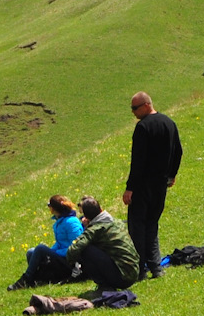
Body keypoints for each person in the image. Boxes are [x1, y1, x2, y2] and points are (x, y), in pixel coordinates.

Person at [122, 91, 181, 280]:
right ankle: (156, 267)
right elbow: (178, 151)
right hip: (160, 185)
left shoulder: (143, 127)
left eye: (135, 108)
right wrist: (171, 175)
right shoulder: (169, 123)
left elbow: (138, 161)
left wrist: (130, 188)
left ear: (147, 105)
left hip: (142, 186)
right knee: (152, 225)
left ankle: (140, 270)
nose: (133, 112)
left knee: (137, 227)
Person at [9, 195, 84, 291]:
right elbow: (59, 243)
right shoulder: (59, 222)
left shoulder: (72, 222)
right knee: (31, 252)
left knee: (40, 248)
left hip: (69, 262)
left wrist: (54, 253)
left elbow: (75, 247)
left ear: (53, 208)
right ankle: (36, 279)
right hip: (61, 257)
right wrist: (50, 252)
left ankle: (26, 279)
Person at [67, 196, 141, 291]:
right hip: (133, 271)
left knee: (86, 249)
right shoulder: (116, 222)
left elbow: (73, 250)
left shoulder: (95, 229)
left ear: (86, 217)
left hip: (122, 277)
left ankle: (104, 286)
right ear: (101, 209)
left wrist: (72, 264)